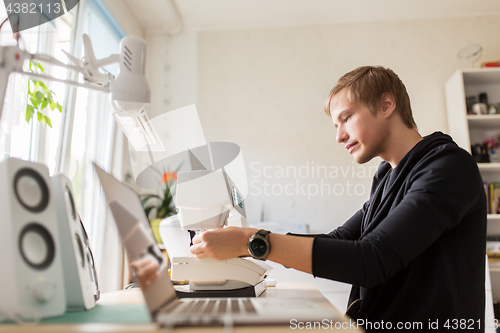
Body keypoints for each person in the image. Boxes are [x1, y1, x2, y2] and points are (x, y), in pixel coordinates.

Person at [136, 66, 487, 331]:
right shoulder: (388, 176)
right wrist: (247, 241)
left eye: (346, 118)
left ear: (386, 105)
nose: (339, 136)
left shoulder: (447, 167)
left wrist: (253, 243)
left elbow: (372, 259)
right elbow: (340, 241)